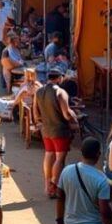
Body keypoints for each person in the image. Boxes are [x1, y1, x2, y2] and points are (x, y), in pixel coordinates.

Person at [33, 67, 77, 197]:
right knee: (59, 159)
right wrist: (74, 115)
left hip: (46, 129)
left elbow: (36, 114)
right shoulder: (61, 92)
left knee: (49, 155)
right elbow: (66, 114)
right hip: (60, 130)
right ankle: (54, 185)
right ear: (59, 78)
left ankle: (47, 186)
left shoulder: (39, 91)